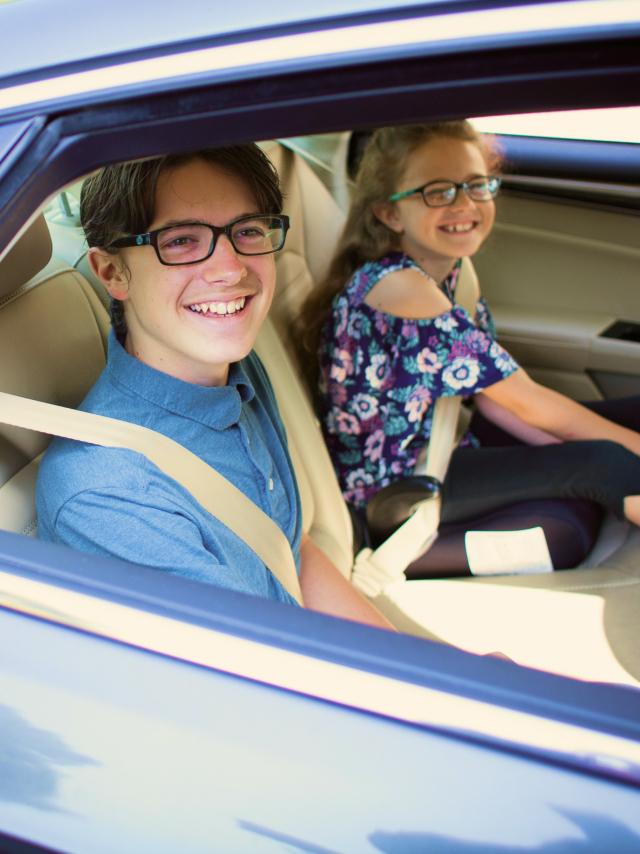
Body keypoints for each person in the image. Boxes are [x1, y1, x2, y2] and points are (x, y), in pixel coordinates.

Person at [36, 144, 392, 630]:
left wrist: (441, 677)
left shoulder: (239, 372)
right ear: (112, 272)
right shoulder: (109, 494)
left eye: (247, 231)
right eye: (181, 240)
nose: (231, 268)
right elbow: (264, 677)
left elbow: (293, 551)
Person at [301, 121, 640, 556]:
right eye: (437, 192)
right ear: (389, 213)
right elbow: (526, 400)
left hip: (447, 441)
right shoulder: (401, 289)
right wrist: (617, 454)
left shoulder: (446, 272)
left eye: (477, 186)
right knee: (607, 464)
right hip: (400, 483)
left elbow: (494, 398)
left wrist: (577, 446)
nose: (464, 204)